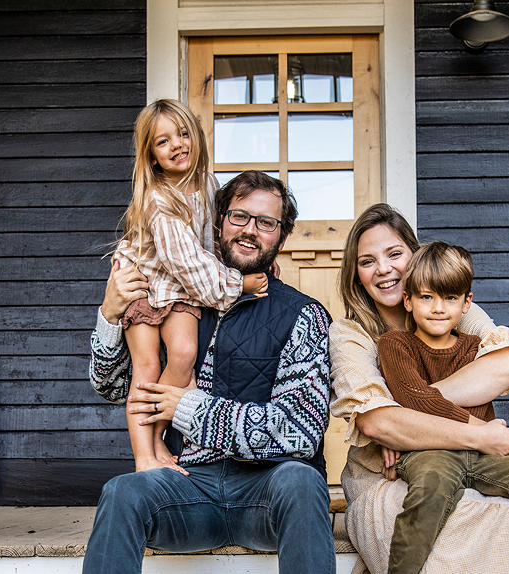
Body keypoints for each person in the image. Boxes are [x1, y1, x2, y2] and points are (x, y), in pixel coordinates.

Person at [84, 171, 335, 574]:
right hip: (188, 490)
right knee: (122, 492)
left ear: (283, 237)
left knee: (302, 482)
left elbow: (299, 433)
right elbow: (112, 387)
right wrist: (110, 316)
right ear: (218, 222)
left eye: (266, 222)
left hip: (265, 493)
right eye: (239, 216)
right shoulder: (175, 303)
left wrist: (191, 409)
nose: (249, 230)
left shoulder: (302, 315)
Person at [329, 203, 509, 574]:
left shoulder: (452, 305)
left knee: (505, 512)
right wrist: (476, 433)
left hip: (471, 458)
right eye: (367, 261)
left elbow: (508, 365)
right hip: (383, 476)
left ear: (415, 256)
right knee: (444, 516)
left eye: (394, 254)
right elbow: (376, 423)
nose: (384, 269)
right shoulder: (352, 333)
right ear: (356, 274)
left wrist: (405, 413)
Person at [112, 99, 271, 475]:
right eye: (163, 141)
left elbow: (215, 241)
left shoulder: (208, 185)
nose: (177, 145)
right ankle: (144, 455)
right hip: (144, 285)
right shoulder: (158, 200)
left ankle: (156, 437)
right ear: (152, 156)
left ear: (196, 136)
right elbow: (187, 263)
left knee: (183, 355)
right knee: (147, 365)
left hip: (179, 290)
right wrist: (238, 283)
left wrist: (251, 259)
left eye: (183, 134)